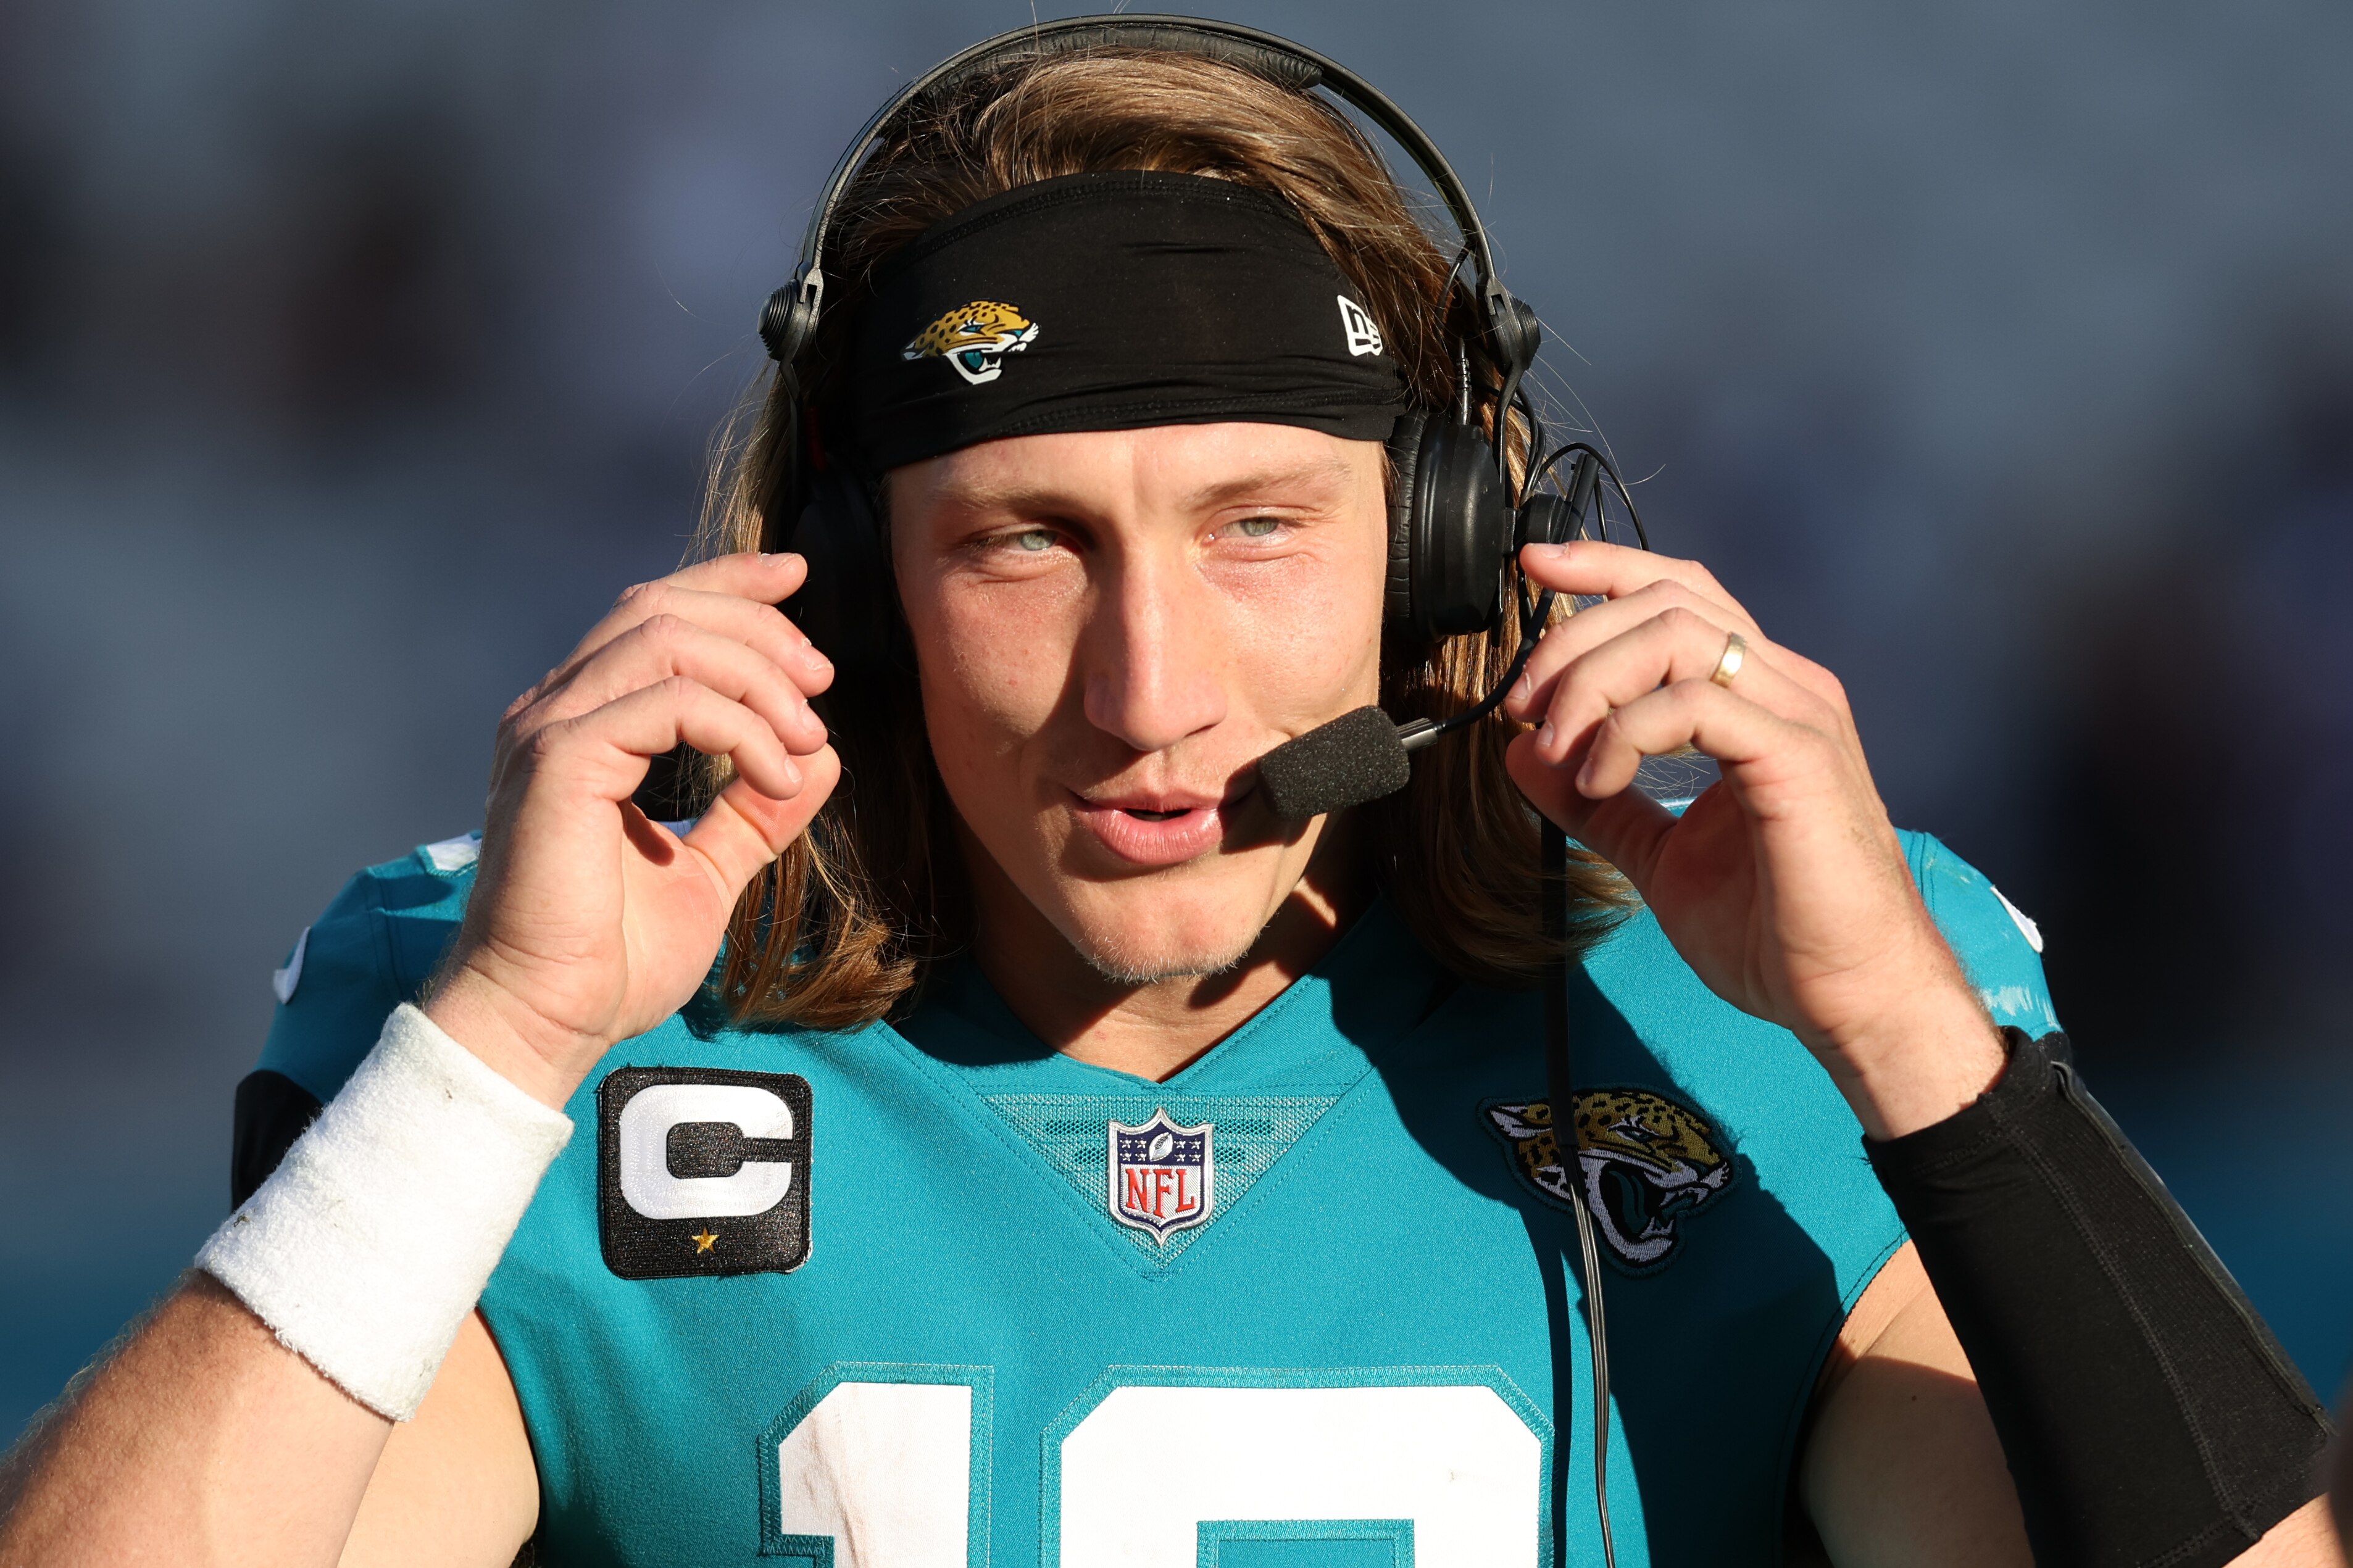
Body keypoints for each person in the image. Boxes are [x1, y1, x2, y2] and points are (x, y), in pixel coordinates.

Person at [0, 21, 2337, 1568]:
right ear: (845, 578)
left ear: (1446, 545)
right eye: (1023, 542)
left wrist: (1919, 1050)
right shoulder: (551, 1018)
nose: (1148, 693)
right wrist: (494, 1052)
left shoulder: (1754, 1024)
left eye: (1259, 529)